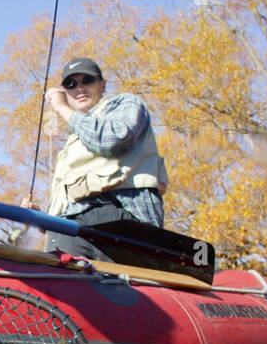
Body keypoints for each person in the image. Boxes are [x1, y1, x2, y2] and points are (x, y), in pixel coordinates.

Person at [36, 57, 168, 260]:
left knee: (121, 289)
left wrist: (63, 109)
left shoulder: (126, 105)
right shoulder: (73, 141)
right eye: (70, 84)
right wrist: (41, 216)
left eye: (86, 80)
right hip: (68, 228)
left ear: (102, 84)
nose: (79, 88)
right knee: (62, 288)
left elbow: (110, 139)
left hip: (121, 217)